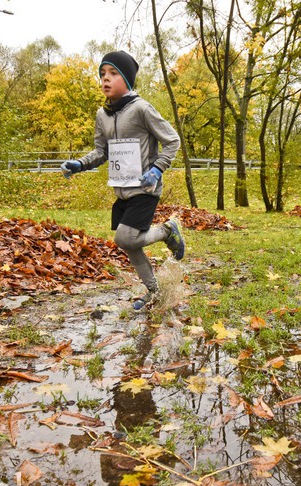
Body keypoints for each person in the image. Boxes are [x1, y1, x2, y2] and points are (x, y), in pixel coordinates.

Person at [60, 50, 184, 311]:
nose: (106, 78)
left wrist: (158, 169)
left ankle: (166, 230)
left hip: (145, 188)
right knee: (131, 246)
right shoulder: (102, 116)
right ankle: (154, 292)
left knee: (125, 238)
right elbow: (101, 151)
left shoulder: (141, 108)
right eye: (102, 74)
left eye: (113, 73)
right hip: (122, 191)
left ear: (127, 79)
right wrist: (80, 163)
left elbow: (172, 140)